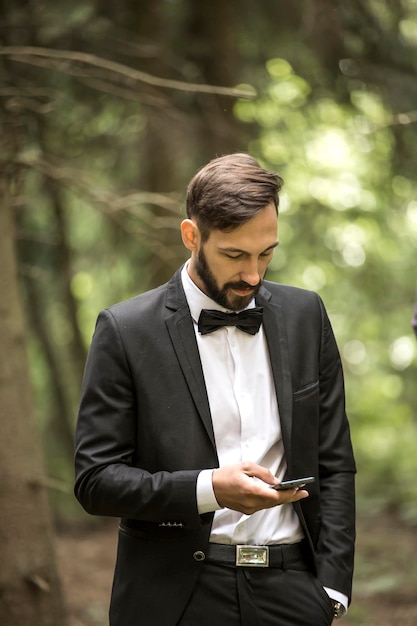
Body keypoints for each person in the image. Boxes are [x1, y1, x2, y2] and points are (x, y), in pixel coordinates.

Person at [74, 153, 356, 626]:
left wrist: (331, 589)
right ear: (191, 236)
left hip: (294, 593)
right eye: (235, 255)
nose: (253, 275)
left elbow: (335, 461)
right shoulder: (126, 330)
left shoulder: (307, 315)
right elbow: (95, 481)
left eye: (266, 253)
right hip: (175, 599)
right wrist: (209, 489)